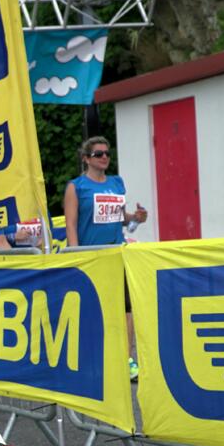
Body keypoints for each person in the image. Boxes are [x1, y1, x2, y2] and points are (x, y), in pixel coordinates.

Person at [63, 136, 149, 380]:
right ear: (86, 159)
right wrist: (75, 256)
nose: (104, 158)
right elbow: (70, 224)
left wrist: (137, 217)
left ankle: (127, 360)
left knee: (125, 310)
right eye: (98, 154)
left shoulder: (117, 183)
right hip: (91, 256)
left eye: (107, 153)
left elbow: (120, 217)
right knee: (93, 310)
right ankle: (91, 359)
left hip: (117, 254)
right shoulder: (76, 187)